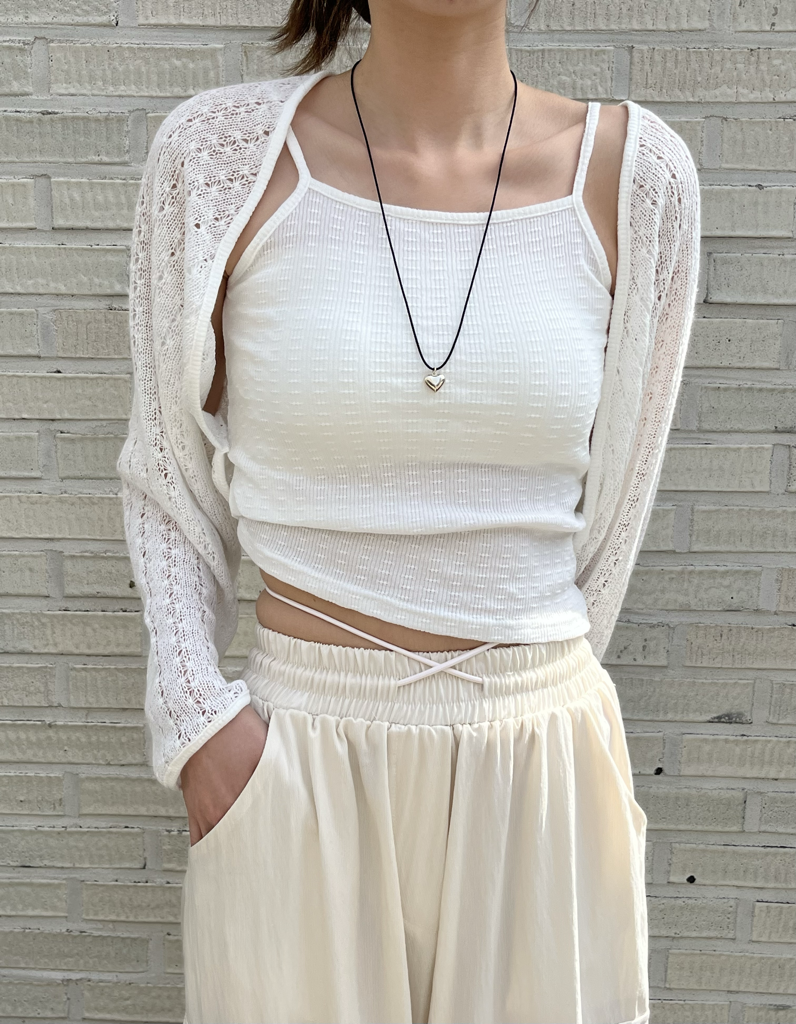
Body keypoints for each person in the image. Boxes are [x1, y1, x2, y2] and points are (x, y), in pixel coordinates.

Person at [117, 0, 701, 1020]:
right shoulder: (218, 163)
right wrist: (200, 725)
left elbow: (615, 515)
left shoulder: (635, 178)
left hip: (539, 766)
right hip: (294, 764)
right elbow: (168, 470)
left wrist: (518, 692)